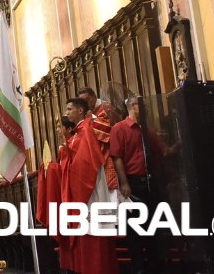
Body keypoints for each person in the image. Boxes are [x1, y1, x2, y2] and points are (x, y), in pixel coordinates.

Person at [60, 98, 119, 274]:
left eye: (70, 109)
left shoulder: (86, 129)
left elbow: (86, 162)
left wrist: (67, 159)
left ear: (80, 110)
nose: (67, 112)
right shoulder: (79, 131)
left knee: (94, 230)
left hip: (90, 185)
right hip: (86, 184)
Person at [110, 97, 167, 273]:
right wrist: (124, 183)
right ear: (132, 107)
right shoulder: (119, 128)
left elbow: (160, 152)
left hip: (150, 181)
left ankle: (154, 264)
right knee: (134, 228)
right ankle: (138, 267)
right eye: (141, 106)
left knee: (153, 225)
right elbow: (117, 157)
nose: (145, 110)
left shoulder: (148, 131)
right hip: (133, 182)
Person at [36, 117, 75, 273]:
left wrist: (52, 169)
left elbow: (69, 171)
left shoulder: (72, 145)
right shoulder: (64, 147)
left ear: (69, 129)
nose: (58, 130)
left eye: (60, 127)